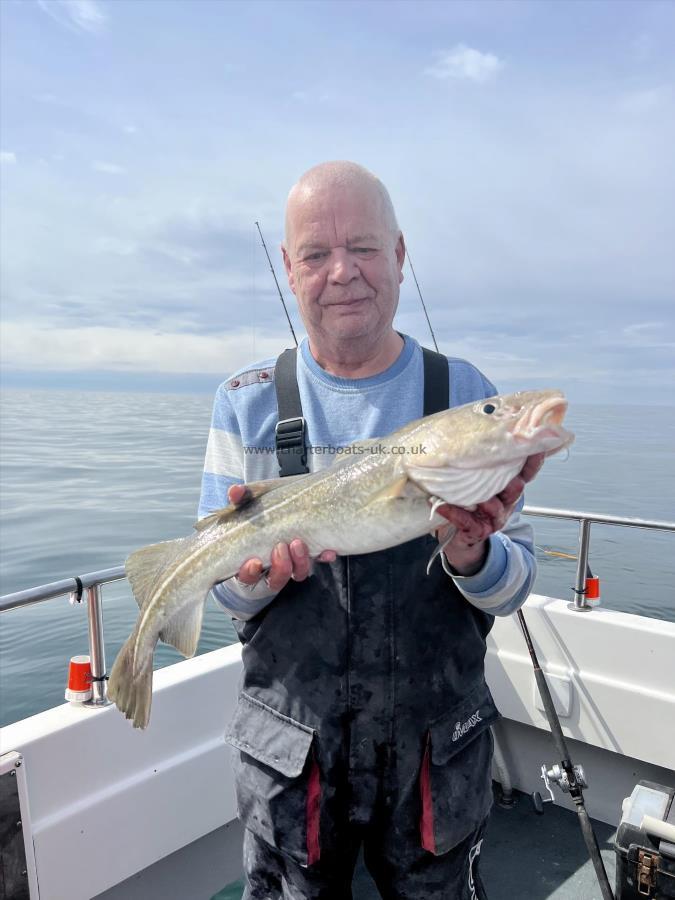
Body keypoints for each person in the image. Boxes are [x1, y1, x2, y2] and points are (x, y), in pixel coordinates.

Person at [199, 161, 543, 900]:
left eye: (362, 246)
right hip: (294, 766)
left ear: (399, 254)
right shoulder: (246, 404)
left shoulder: (465, 395)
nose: (342, 272)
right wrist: (252, 580)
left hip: (432, 763)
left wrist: (471, 548)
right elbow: (228, 594)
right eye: (316, 254)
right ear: (289, 269)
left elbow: (515, 586)